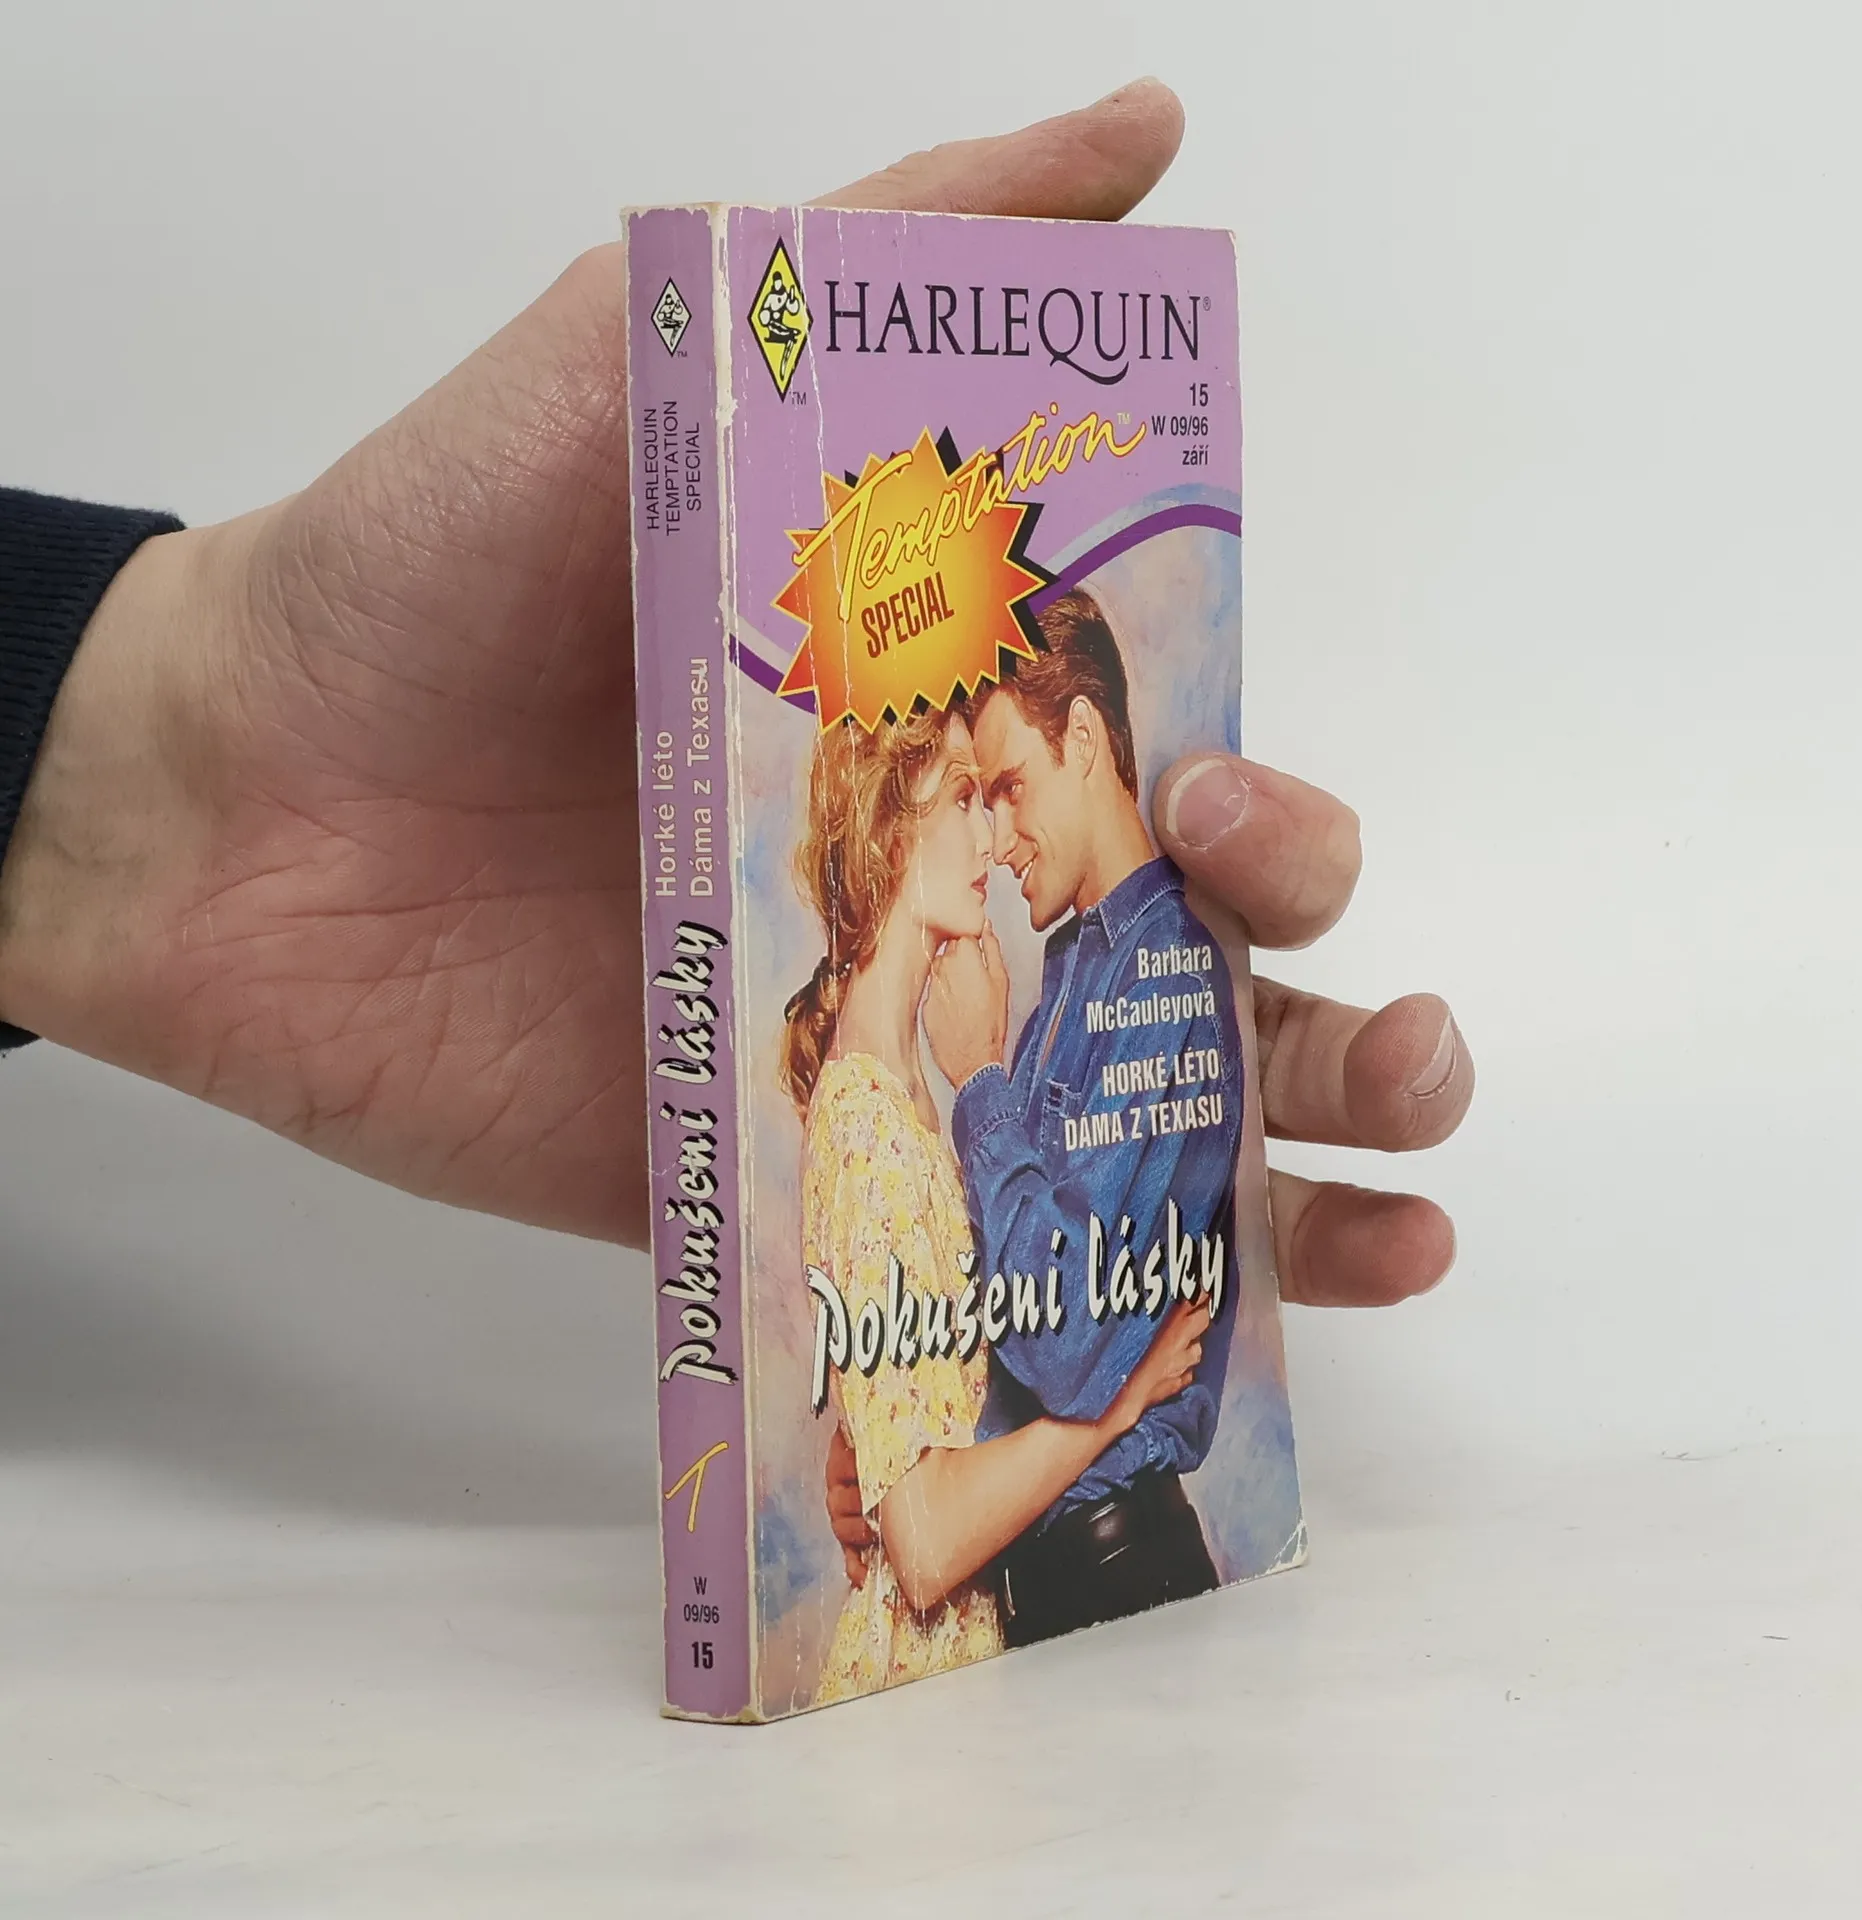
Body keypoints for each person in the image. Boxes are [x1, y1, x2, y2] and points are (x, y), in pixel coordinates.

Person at [0, 82, 1472, 1329]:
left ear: (1085, 739)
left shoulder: (1032, 1009)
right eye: (976, 796)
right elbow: (1037, 1373)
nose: (995, 836)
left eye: (996, 788)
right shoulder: (939, 1063)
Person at [779, 701, 1212, 1700]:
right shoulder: (871, 1122)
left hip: (993, 1655)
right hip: (929, 1687)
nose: (991, 839)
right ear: (891, 831)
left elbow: (937, 1398)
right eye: (965, 800)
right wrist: (1118, 1401)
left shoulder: (908, 1092)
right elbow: (927, 1548)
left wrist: (865, 1449)